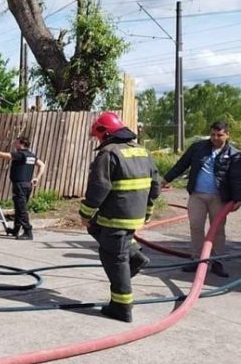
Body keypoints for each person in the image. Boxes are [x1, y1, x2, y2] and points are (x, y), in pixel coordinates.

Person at [80, 112, 160, 323]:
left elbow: (99, 187)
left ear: (105, 133)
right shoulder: (143, 152)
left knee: (114, 259)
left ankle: (122, 307)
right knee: (95, 228)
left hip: (115, 217)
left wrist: (85, 213)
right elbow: (155, 185)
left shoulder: (109, 153)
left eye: (98, 136)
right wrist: (148, 211)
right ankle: (135, 256)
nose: (98, 140)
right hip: (134, 216)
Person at [162, 120, 241, 278]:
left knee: (217, 230)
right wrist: (166, 179)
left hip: (220, 198)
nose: (215, 138)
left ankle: (217, 261)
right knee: (196, 226)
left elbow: (236, 178)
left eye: (219, 135)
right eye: (213, 134)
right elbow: (181, 165)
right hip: (197, 195)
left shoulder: (234, 154)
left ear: (227, 134)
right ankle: (197, 259)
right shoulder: (198, 148)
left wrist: (238, 198)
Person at [0, 135, 45, 240]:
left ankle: (28, 232)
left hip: (20, 185)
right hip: (27, 185)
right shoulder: (31, 156)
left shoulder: (19, 155)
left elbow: (0, 155)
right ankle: (16, 229)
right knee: (19, 208)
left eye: (16, 142)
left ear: (21, 144)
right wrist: (37, 178)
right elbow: (42, 165)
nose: (15, 144)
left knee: (21, 209)